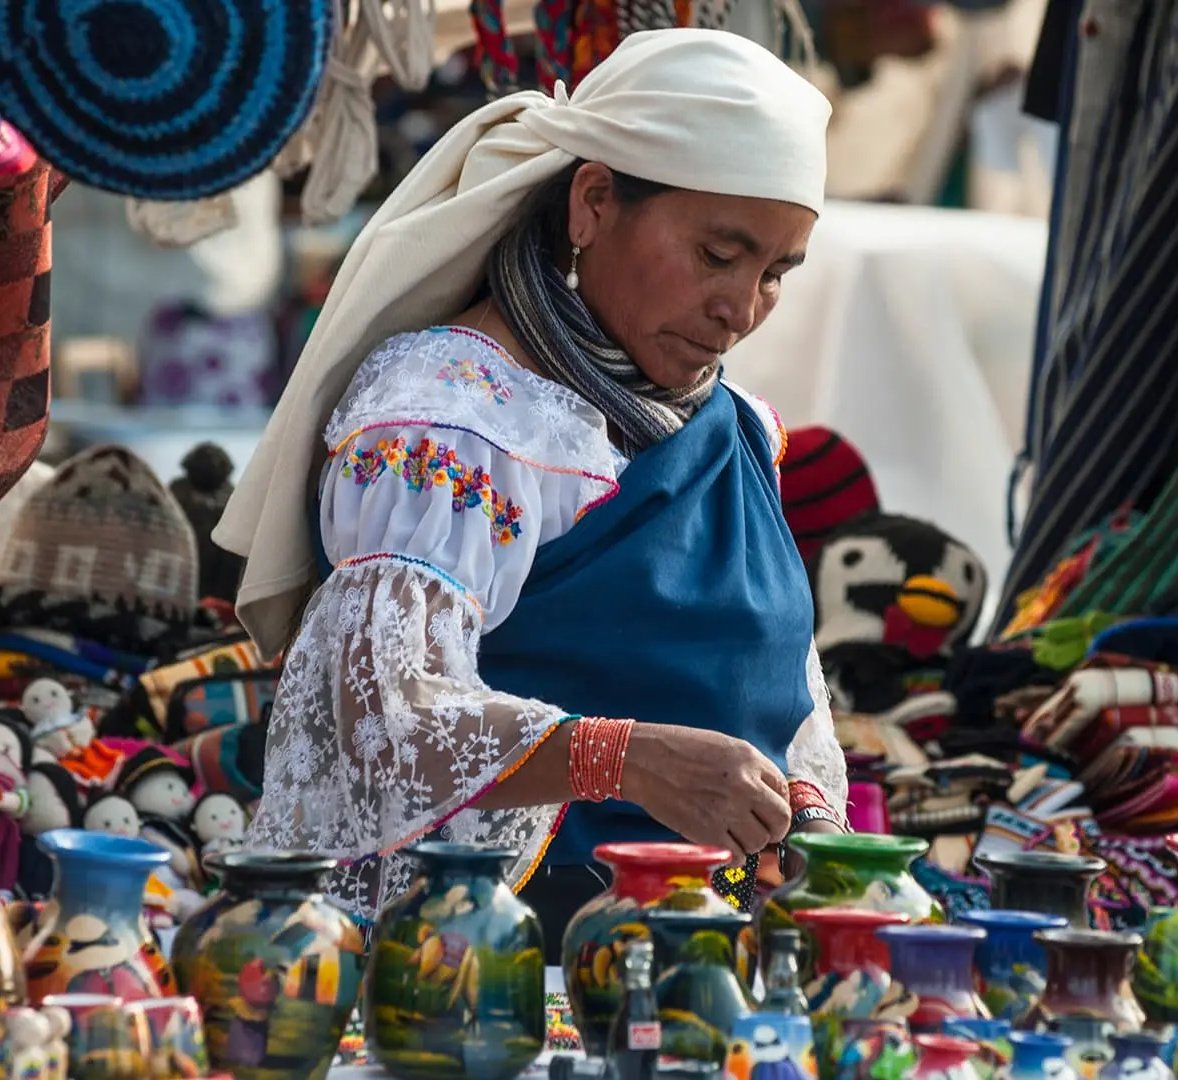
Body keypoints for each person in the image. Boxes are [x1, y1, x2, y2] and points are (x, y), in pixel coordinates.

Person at [215, 29, 848, 943]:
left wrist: (802, 812)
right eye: (718, 255)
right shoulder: (450, 418)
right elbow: (387, 715)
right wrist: (623, 758)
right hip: (490, 967)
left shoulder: (739, 428)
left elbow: (781, 690)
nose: (740, 309)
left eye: (776, 273)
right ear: (593, 202)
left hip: (705, 963)